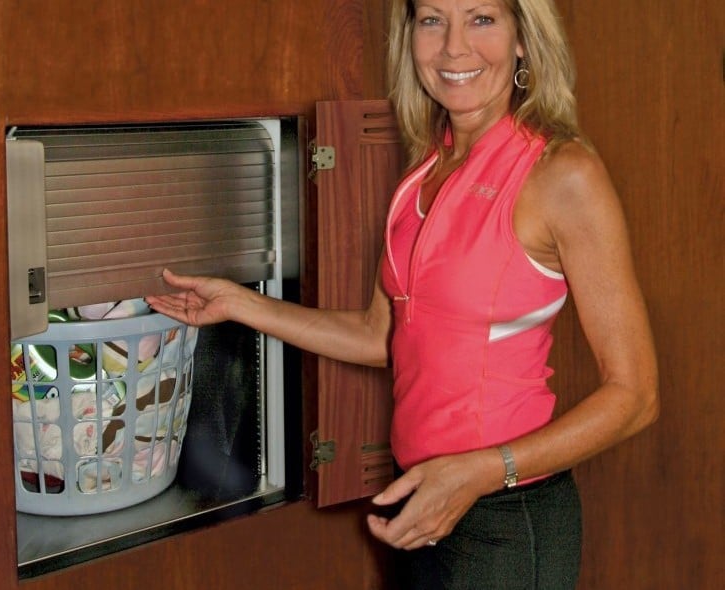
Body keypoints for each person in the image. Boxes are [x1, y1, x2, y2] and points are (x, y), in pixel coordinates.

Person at [145, 0, 659, 587]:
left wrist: (480, 473)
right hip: (418, 498)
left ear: (523, 39)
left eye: (482, 19)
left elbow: (635, 395)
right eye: (432, 20)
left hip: (505, 516)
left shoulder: (562, 174)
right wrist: (243, 304)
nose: (454, 47)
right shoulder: (424, 171)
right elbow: (380, 336)